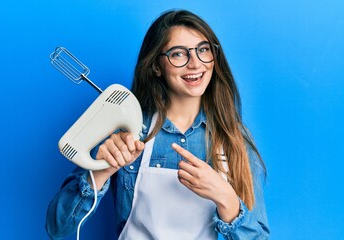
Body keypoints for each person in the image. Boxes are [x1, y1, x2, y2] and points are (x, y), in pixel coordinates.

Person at [46, 9, 270, 240]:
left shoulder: (233, 140)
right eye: (178, 54)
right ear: (156, 66)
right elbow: (57, 228)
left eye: (203, 50)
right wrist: (101, 170)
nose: (195, 63)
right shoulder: (127, 134)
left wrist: (228, 200)